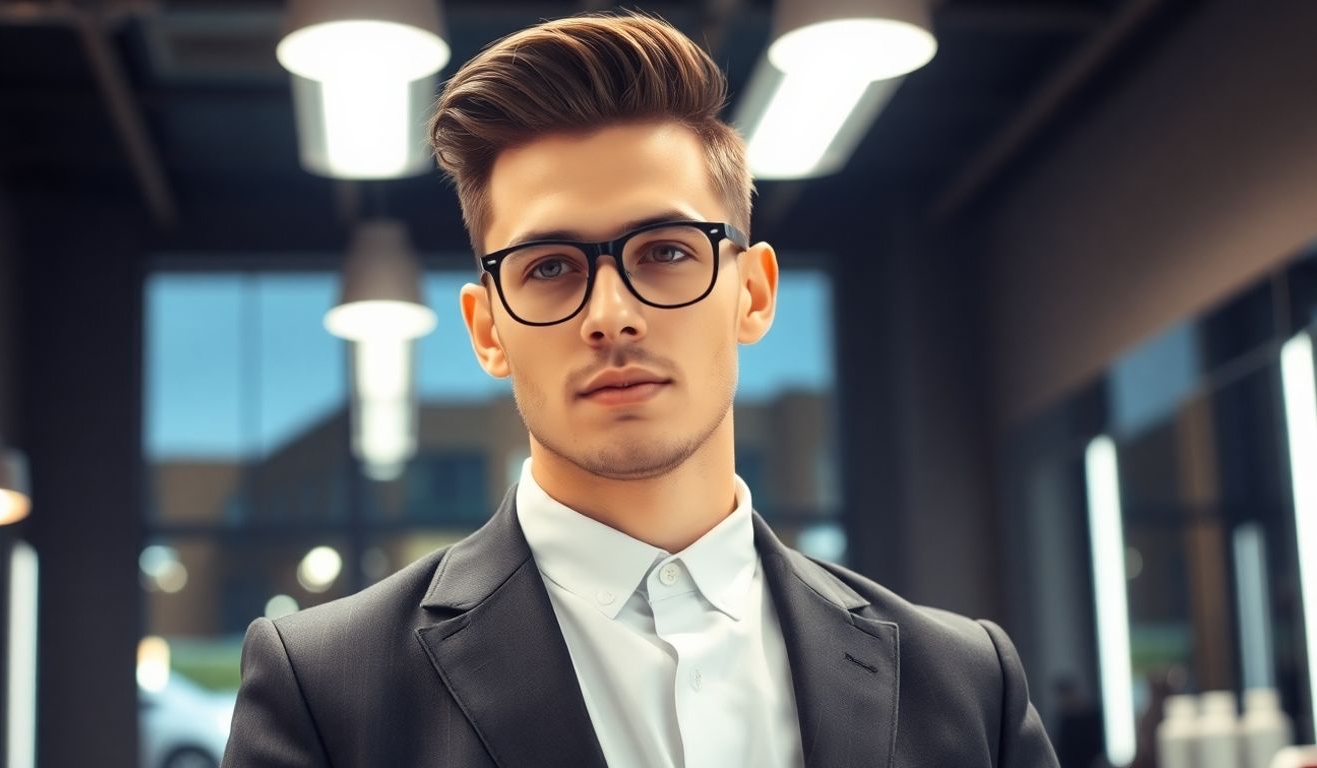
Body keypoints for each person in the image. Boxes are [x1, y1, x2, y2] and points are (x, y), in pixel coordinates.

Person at [222, 12, 1058, 767]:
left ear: (753, 293)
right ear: (487, 330)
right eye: (549, 267)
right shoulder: (327, 692)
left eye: (664, 250)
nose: (611, 316)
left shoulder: (966, 685)